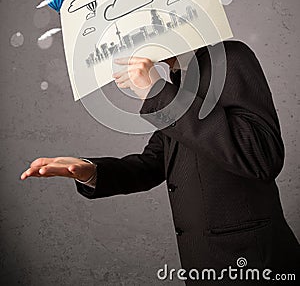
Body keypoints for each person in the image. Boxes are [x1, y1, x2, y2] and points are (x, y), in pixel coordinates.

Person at [21, 40, 300, 285]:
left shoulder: (230, 57)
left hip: (256, 265)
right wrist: (90, 171)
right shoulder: (179, 83)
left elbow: (262, 157)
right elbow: (153, 162)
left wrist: (155, 91)